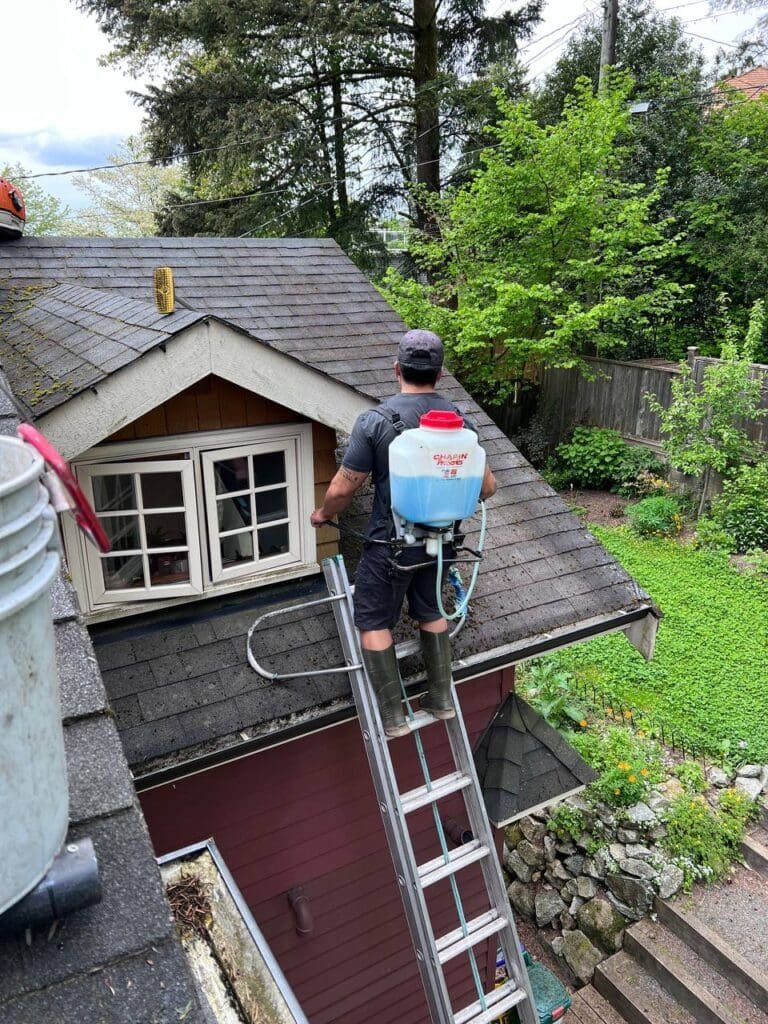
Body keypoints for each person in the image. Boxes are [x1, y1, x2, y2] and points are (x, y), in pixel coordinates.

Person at [310, 329, 497, 738]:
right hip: (442, 544)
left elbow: (342, 489)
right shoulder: (460, 424)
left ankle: (394, 718)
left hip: (391, 547)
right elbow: (486, 488)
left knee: (374, 621)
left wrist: (323, 514)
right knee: (431, 611)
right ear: (440, 374)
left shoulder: (375, 422)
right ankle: (441, 699)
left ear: (396, 369)